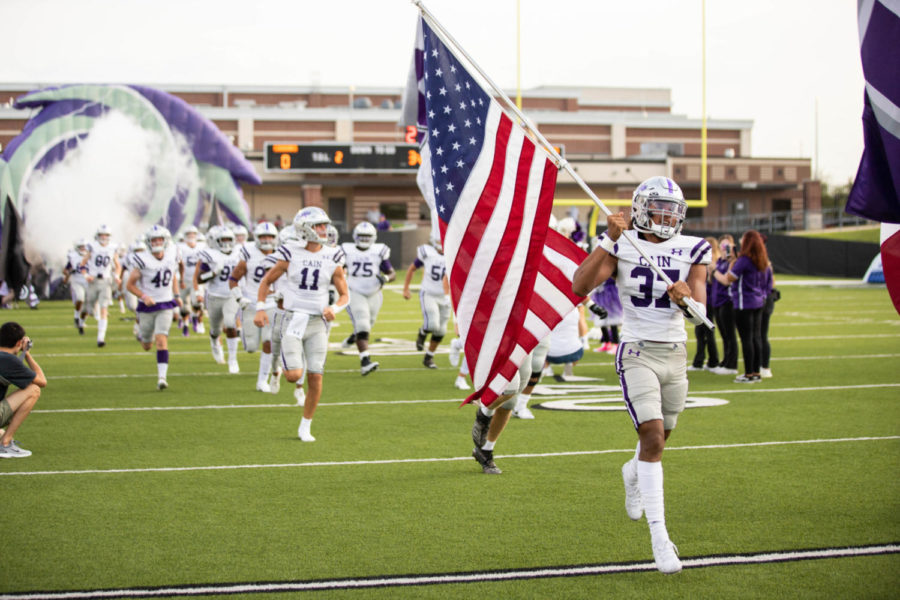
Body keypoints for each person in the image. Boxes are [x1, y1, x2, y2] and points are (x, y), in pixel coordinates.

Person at [572, 176, 711, 575]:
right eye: (659, 208)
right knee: (652, 439)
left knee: (660, 439)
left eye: (672, 210)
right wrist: (607, 240)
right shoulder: (624, 242)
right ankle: (660, 538)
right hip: (636, 350)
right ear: (639, 208)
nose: (666, 216)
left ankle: (632, 471)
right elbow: (579, 285)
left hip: (675, 354)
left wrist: (687, 302)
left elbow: (703, 315)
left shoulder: (694, 248)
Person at [255, 207, 348, 442]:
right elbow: (267, 281)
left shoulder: (333, 255)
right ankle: (277, 366)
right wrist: (259, 307)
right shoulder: (289, 252)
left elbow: (345, 294)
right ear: (305, 228)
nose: (324, 230)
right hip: (293, 319)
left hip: (318, 323)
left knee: (316, 376)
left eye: (325, 225)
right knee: (293, 374)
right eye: (319, 226)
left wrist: (334, 308)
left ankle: (305, 425)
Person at [126, 225, 180, 390]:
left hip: (165, 303)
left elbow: (174, 278)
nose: (156, 242)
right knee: (147, 345)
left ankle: (162, 378)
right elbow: (130, 285)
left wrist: (177, 296)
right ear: (148, 242)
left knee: (161, 339)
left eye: (159, 239)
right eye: (153, 240)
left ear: (165, 241)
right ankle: (142, 335)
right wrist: (143, 296)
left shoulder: (173, 254)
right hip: (147, 306)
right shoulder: (142, 259)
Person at [340, 221, 396, 375]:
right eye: (361, 236)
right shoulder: (346, 250)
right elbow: (338, 269)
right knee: (363, 324)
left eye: (367, 236)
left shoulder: (379, 251)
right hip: (354, 290)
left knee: (367, 325)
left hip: (374, 292)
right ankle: (365, 361)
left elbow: (392, 273)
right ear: (355, 236)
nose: (364, 239)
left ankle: (354, 336)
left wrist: (385, 278)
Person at [228, 221, 278, 392]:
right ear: (256, 238)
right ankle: (244, 337)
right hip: (251, 303)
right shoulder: (248, 252)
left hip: (271, 304)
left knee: (268, 341)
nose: (266, 239)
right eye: (263, 236)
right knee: (250, 347)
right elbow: (233, 279)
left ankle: (262, 381)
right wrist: (239, 297)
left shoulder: (282, 253)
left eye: (270, 236)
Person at [713, 229, 769, 383]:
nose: (740, 241)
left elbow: (728, 279)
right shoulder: (761, 259)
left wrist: (720, 268)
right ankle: (756, 372)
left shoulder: (744, 260)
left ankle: (749, 373)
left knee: (746, 339)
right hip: (758, 302)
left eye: (743, 239)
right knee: (756, 338)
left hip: (744, 303)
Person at [195, 226, 243, 373]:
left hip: (231, 295)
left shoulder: (239, 252)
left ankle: (232, 359)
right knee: (216, 329)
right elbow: (199, 278)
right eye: (223, 240)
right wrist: (214, 272)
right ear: (215, 241)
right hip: (215, 296)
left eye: (229, 239)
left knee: (230, 324)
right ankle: (214, 341)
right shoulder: (210, 255)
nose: (226, 243)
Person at [0, 322, 47, 458]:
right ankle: (5, 444)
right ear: (19, 342)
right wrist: (27, 354)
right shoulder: (8, 360)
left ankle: (4, 438)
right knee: (34, 390)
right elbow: (42, 381)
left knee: (1, 432)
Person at [402, 236, 450, 369]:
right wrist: (406, 288)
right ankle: (423, 332)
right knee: (432, 324)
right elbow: (412, 268)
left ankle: (429, 357)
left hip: (446, 296)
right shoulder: (427, 253)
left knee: (441, 331)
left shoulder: (454, 253)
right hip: (429, 293)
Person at [80, 224, 121, 347]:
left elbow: (117, 265)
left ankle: (100, 338)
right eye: (101, 235)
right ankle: (81, 322)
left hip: (106, 281)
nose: (103, 237)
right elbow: (83, 264)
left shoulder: (113, 248)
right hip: (92, 281)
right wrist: (86, 275)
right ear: (97, 236)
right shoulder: (92, 246)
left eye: (106, 235)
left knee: (104, 308)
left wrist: (117, 276)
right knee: (89, 309)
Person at [688, 236, 721, 372]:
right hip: (705, 299)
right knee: (701, 331)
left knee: (706, 331)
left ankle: (710, 360)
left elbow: (711, 282)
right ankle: (702, 360)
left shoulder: (712, 262)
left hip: (709, 300)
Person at [709, 235, 739, 375]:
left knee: (730, 335)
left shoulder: (732, 262)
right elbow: (711, 281)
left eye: (728, 246)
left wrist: (714, 271)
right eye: (722, 246)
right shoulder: (720, 261)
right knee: (724, 335)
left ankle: (731, 364)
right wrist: (711, 270)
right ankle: (725, 361)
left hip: (727, 301)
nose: (725, 249)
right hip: (717, 301)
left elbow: (726, 280)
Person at [177, 225, 206, 336]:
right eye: (189, 234)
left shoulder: (202, 247)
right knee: (184, 306)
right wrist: (180, 279)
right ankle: (185, 326)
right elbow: (178, 264)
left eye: (193, 234)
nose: (191, 236)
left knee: (197, 303)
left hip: (197, 280)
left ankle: (195, 318)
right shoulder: (180, 247)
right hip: (184, 280)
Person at [63, 238, 90, 334]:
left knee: (88, 307)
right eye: (81, 247)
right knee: (80, 298)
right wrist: (69, 272)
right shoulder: (73, 257)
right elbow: (65, 270)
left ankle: (81, 323)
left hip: (88, 282)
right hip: (77, 281)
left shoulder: (92, 256)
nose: (83, 249)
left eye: (84, 247)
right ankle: (76, 317)